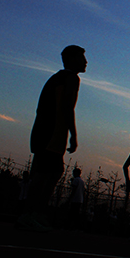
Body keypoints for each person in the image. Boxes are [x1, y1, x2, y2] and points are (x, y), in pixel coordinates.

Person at [17, 45, 87, 231]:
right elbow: (67, 107)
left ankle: (33, 213)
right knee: (46, 175)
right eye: (82, 57)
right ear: (72, 59)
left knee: (50, 172)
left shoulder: (56, 78)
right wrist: (73, 134)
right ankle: (32, 214)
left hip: (43, 132)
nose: (85, 61)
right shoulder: (71, 78)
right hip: (52, 133)